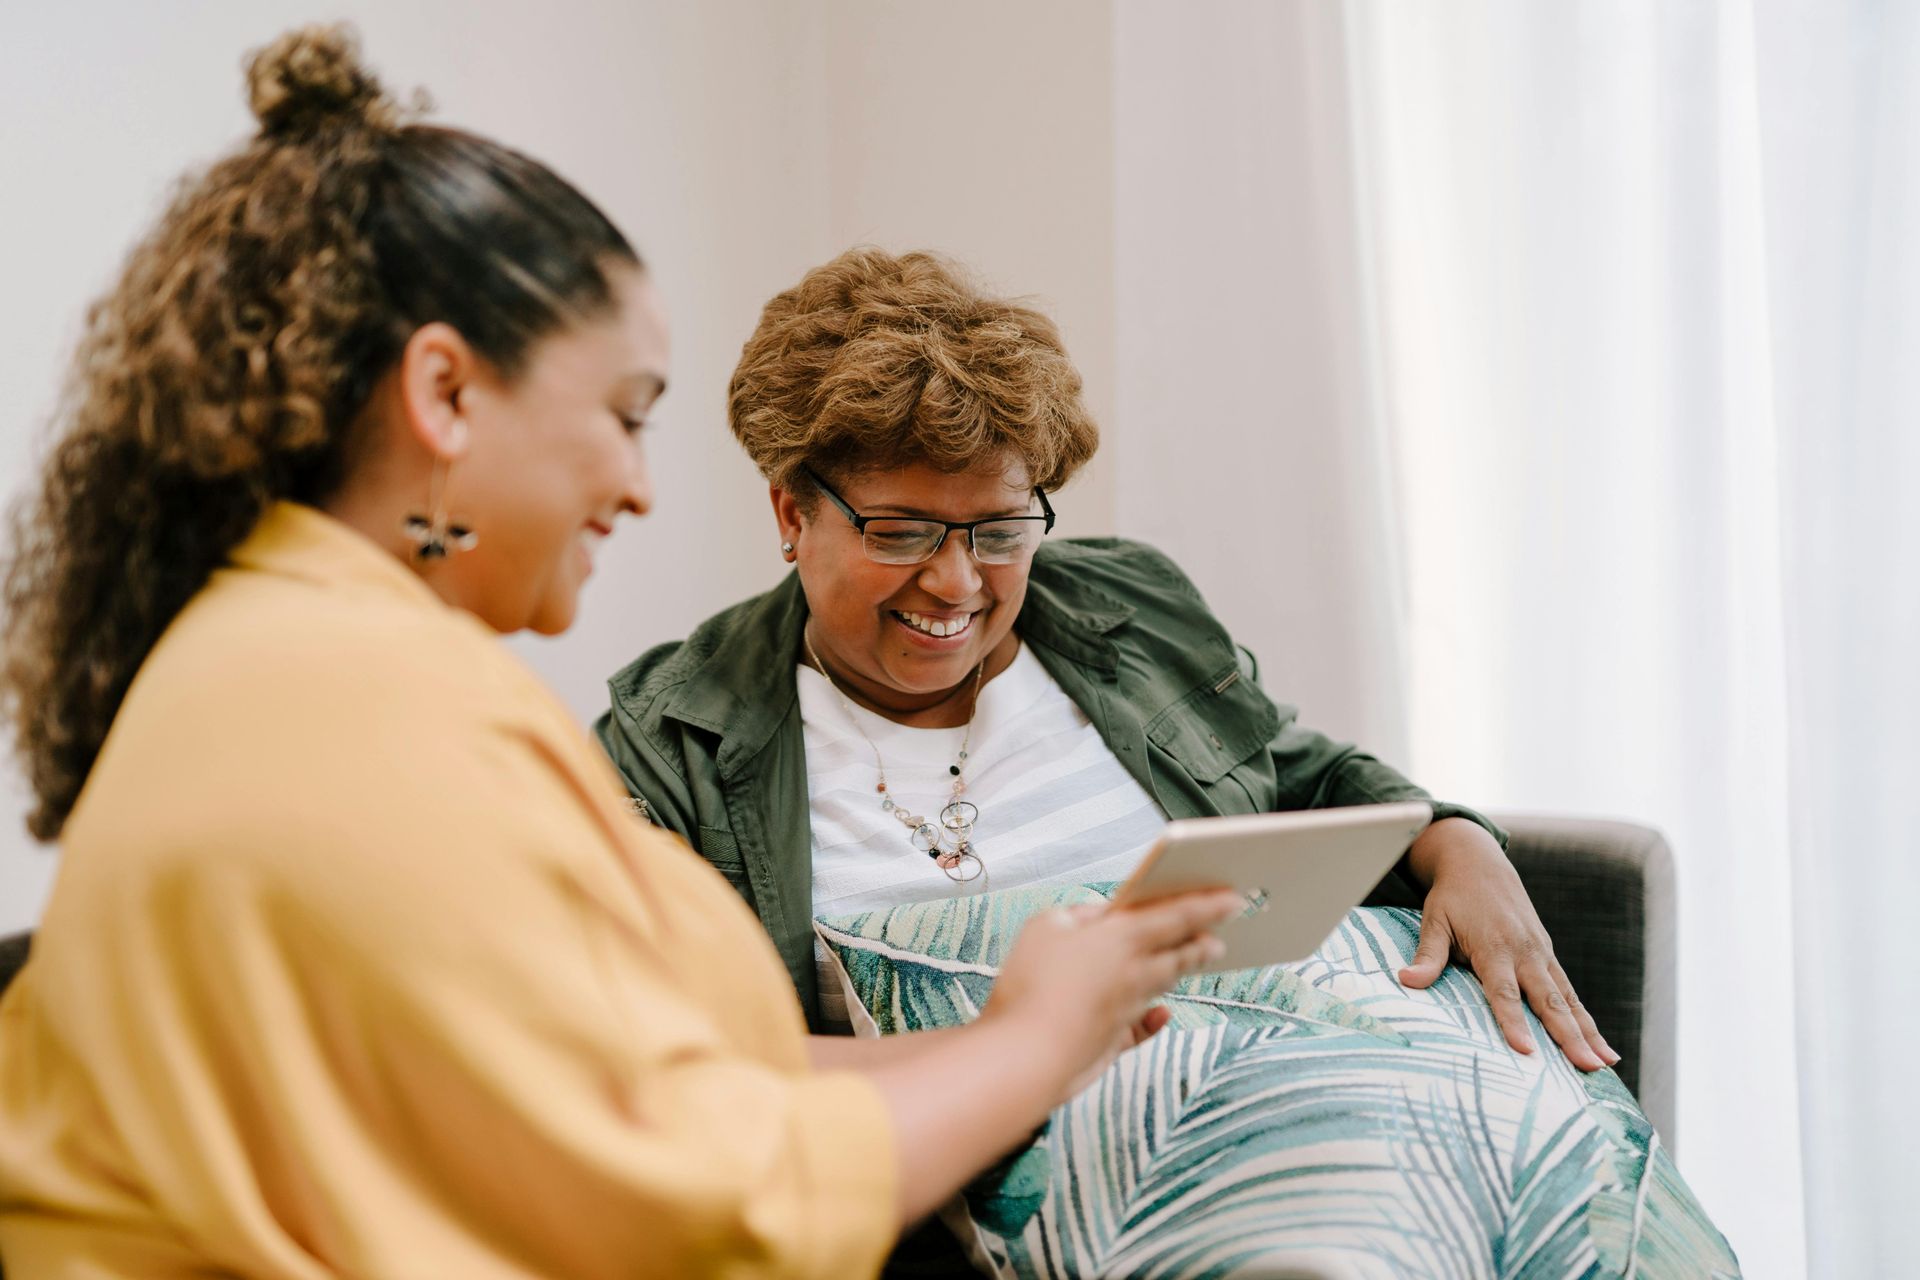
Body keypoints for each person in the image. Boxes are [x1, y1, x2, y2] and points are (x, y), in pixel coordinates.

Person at [0, 28, 1241, 1277]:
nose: (640, 490)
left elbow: (619, 1077)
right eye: (622, 414)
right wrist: (1028, 1039)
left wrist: (1031, 1035)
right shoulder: (371, 711)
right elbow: (711, 1208)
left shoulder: (290, 655)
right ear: (446, 392)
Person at [597, 246, 1621, 1076]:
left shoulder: (1126, 608)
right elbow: (673, 1071)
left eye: (1000, 529)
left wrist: (1460, 844)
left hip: (1264, 1106)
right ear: (791, 511)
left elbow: (1308, 782)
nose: (957, 584)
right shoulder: (674, 742)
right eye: (903, 531)